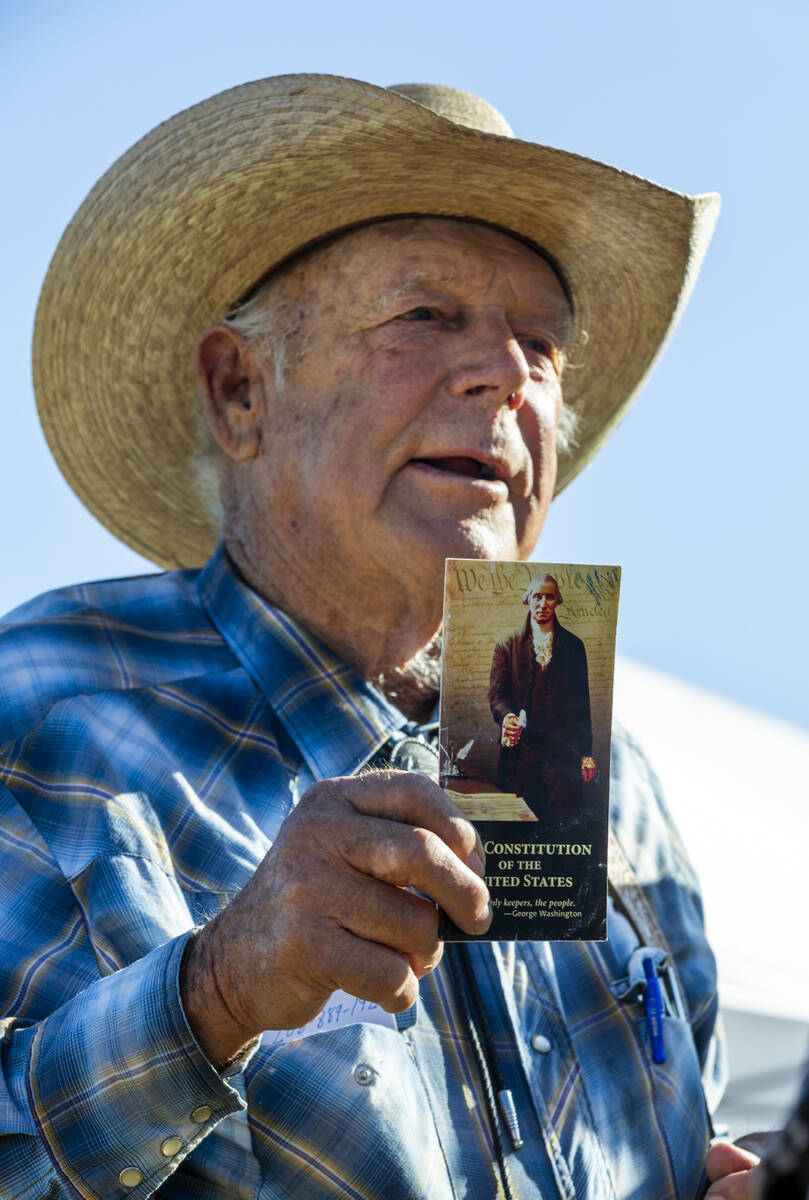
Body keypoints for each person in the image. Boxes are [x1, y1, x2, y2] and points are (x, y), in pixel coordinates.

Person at [0, 74, 752, 1198]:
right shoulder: (50, 702)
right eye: (425, 316)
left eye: (539, 345)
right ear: (238, 389)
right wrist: (212, 993)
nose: (502, 373)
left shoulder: (606, 772)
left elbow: (691, 1123)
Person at [489, 572, 597, 819]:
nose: (543, 603)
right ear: (528, 599)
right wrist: (508, 719)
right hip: (520, 756)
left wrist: (586, 753)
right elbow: (497, 697)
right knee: (515, 827)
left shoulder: (574, 646)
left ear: (558, 601)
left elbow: (582, 705)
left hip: (563, 756)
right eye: (538, 596)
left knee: (564, 826)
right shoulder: (507, 645)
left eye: (550, 597)